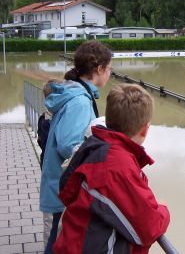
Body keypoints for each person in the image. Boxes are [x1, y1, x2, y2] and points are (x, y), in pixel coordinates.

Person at [53, 84, 170, 254]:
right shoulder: (115, 165)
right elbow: (149, 229)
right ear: (145, 129)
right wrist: (163, 209)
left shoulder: (101, 147)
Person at [40, 40, 112, 254]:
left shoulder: (76, 93)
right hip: (62, 192)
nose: (109, 74)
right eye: (109, 69)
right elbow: (70, 146)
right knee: (56, 245)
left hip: (58, 187)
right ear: (98, 69)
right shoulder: (80, 102)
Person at [37, 78, 64, 170]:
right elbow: (46, 144)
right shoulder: (46, 120)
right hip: (50, 164)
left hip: (47, 161)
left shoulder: (46, 117)